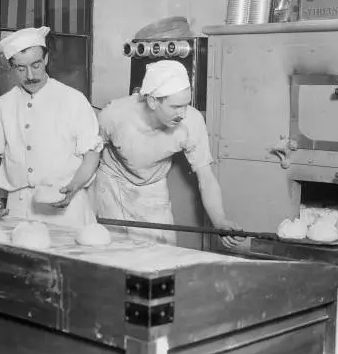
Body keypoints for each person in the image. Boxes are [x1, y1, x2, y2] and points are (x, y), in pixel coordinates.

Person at [93, 60, 243, 248]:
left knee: (161, 255)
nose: (183, 113)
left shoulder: (192, 122)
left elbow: (206, 178)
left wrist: (220, 220)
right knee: (114, 254)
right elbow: (90, 155)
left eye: (186, 105)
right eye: (176, 107)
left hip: (153, 186)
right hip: (112, 186)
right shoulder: (114, 115)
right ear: (153, 101)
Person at [0, 26, 102, 227]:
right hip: (19, 208)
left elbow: (92, 155)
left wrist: (73, 187)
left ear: (46, 59)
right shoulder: (2, 105)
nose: (30, 75)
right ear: (11, 67)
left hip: (66, 206)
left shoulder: (73, 100)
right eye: (20, 68)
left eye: (36, 65)